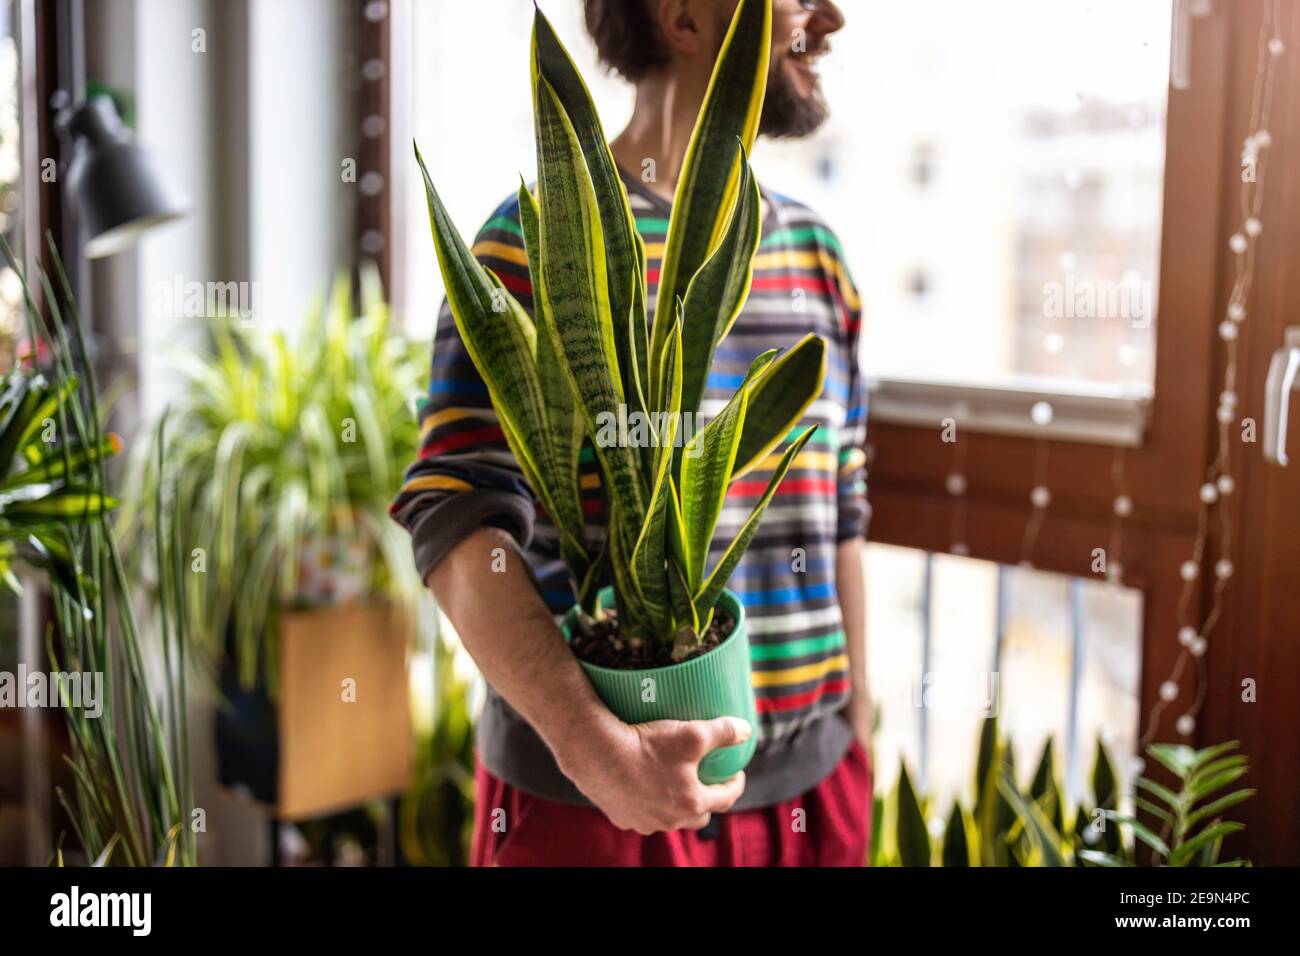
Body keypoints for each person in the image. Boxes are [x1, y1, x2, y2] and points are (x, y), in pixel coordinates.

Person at [392, 0, 871, 866]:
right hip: (597, 804)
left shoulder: (817, 255)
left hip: (810, 795)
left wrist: (856, 727)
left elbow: (842, 518)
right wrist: (591, 751)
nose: (830, 17)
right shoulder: (531, 243)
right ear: (685, 18)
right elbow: (456, 523)